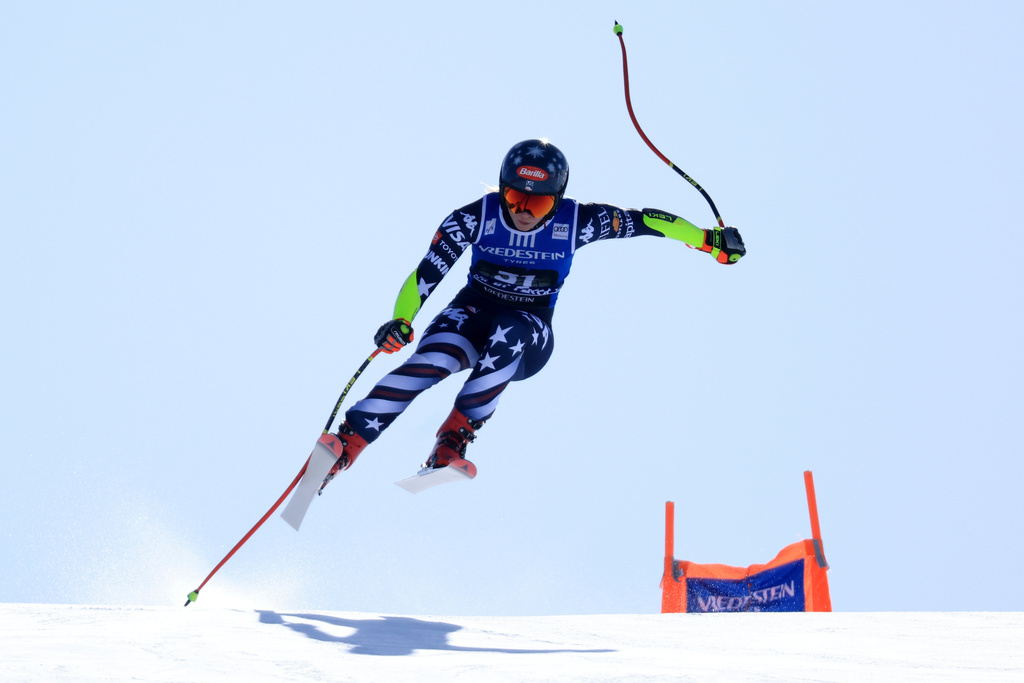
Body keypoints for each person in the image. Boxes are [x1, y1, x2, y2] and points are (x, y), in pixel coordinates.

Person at [325, 138, 745, 480]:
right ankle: (350, 442)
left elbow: (648, 221)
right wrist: (402, 320)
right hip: (472, 313)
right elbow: (425, 275)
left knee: (512, 328)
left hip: (530, 331)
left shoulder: (577, 221)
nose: (523, 211)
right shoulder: (475, 217)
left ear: (557, 200)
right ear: (501, 188)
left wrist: (707, 240)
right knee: (435, 357)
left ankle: (454, 438)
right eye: (513, 197)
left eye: (539, 204)